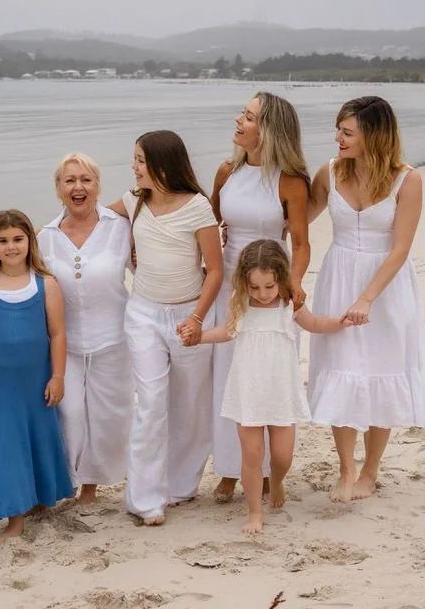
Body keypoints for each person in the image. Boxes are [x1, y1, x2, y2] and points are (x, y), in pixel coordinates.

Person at [306, 96, 425, 502]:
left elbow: (400, 249)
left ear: (374, 136)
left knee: (381, 372)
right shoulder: (328, 172)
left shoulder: (407, 180)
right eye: (338, 130)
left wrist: (366, 298)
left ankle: (371, 469)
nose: (337, 139)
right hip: (338, 277)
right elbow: (297, 219)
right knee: (341, 369)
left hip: (386, 287)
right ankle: (345, 468)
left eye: (347, 133)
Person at [181, 239, 352, 533]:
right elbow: (228, 331)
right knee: (252, 454)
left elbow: (314, 324)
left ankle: (276, 481)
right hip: (247, 390)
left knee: (283, 454)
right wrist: (199, 336)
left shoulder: (290, 303)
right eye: (255, 287)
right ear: (245, 283)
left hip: (281, 391)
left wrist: (339, 322)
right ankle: (254, 512)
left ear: (281, 279)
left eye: (269, 286)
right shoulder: (241, 304)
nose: (262, 294)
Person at [107, 130, 222, 526]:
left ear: (161, 164)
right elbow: (88, 220)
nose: (134, 167)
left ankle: (180, 484)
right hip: (142, 315)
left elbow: (215, 271)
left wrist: (196, 318)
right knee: (152, 404)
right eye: (135, 159)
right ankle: (144, 498)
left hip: (188, 316)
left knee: (190, 404)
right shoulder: (133, 202)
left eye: (140, 160)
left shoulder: (198, 207)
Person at [208, 91, 311, 502]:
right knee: (229, 382)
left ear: (267, 130)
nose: (239, 120)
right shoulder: (226, 172)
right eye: (243, 113)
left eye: (248, 117)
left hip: (272, 290)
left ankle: (270, 472)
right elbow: (207, 225)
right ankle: (231, 470)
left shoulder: (289, 180)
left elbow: (301, 243)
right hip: (232, 289)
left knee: (270, 379)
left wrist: (295, 284)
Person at [0, 209, 73, 543]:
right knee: (8, 447)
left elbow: (57, 333)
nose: (11, 247)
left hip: (37, 380)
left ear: (30, 241)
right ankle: (14, 521)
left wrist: (57, 376)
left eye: (18, 239)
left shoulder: (46, 283)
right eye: (3, 241)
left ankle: (39, 501)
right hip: (0, 387)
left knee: (39, 439)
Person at [37, 153, 132, 508]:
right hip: (65, 345)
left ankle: (92, 486)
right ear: (59, 190)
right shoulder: (44, 237)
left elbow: (150, 265)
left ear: (97, 186)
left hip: (114, 338)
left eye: (86, 180)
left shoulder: (120, 227)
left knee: (110, 417)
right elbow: (10, 269)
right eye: (70, 181)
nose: (78, 187)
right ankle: (69, 482)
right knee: (71, 414)